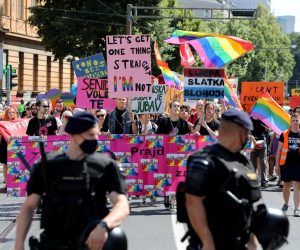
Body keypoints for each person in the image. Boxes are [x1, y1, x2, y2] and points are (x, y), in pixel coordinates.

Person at [15, 111, 130, 250]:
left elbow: (122, 204)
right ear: (73, 135)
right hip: (54, 242)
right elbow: (29, 206)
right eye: (90, 135)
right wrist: (19, 243)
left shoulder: (106, 165)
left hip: (91, 241)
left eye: (97, 135)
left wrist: (104, 225)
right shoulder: (47, 166)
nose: (96, 139)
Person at [185, 109, 261, 250]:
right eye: (246, 133)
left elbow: (249, 208)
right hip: (210, 242)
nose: (247, 137)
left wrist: (253, 241)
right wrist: (207, 241)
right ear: (239, 133)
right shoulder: (203, 160)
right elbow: (193, 201)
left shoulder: (244, 163)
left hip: (239, 243)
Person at [276, 113, 300, 217]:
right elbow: (279, 150)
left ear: (299, 121)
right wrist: (277, 165)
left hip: (298, 164)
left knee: (296, 186)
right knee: (286, 185)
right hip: (286, 163)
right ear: (290, 122)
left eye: (296, 120)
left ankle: (296, 208)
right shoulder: (284, 134)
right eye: (293, 120)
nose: (295, 123)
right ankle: (286, 204)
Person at [0, 106, 19, 193]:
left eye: (13, 112)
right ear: (6, 114)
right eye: (9, 112)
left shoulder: (18, 122)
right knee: (5, 163)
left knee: (15, 162)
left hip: (14, 143)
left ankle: (15, 184)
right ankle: (7, 184)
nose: (11, 114)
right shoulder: (3, 123)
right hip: (5, 142)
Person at [250, 117, 268, 188]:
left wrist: (267, 129)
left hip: (262, 143)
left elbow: (268, 129)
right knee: (252, 163)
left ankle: (263, 181)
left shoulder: (263, 119)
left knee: (263, 162)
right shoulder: (249, 119)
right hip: (252, 143)